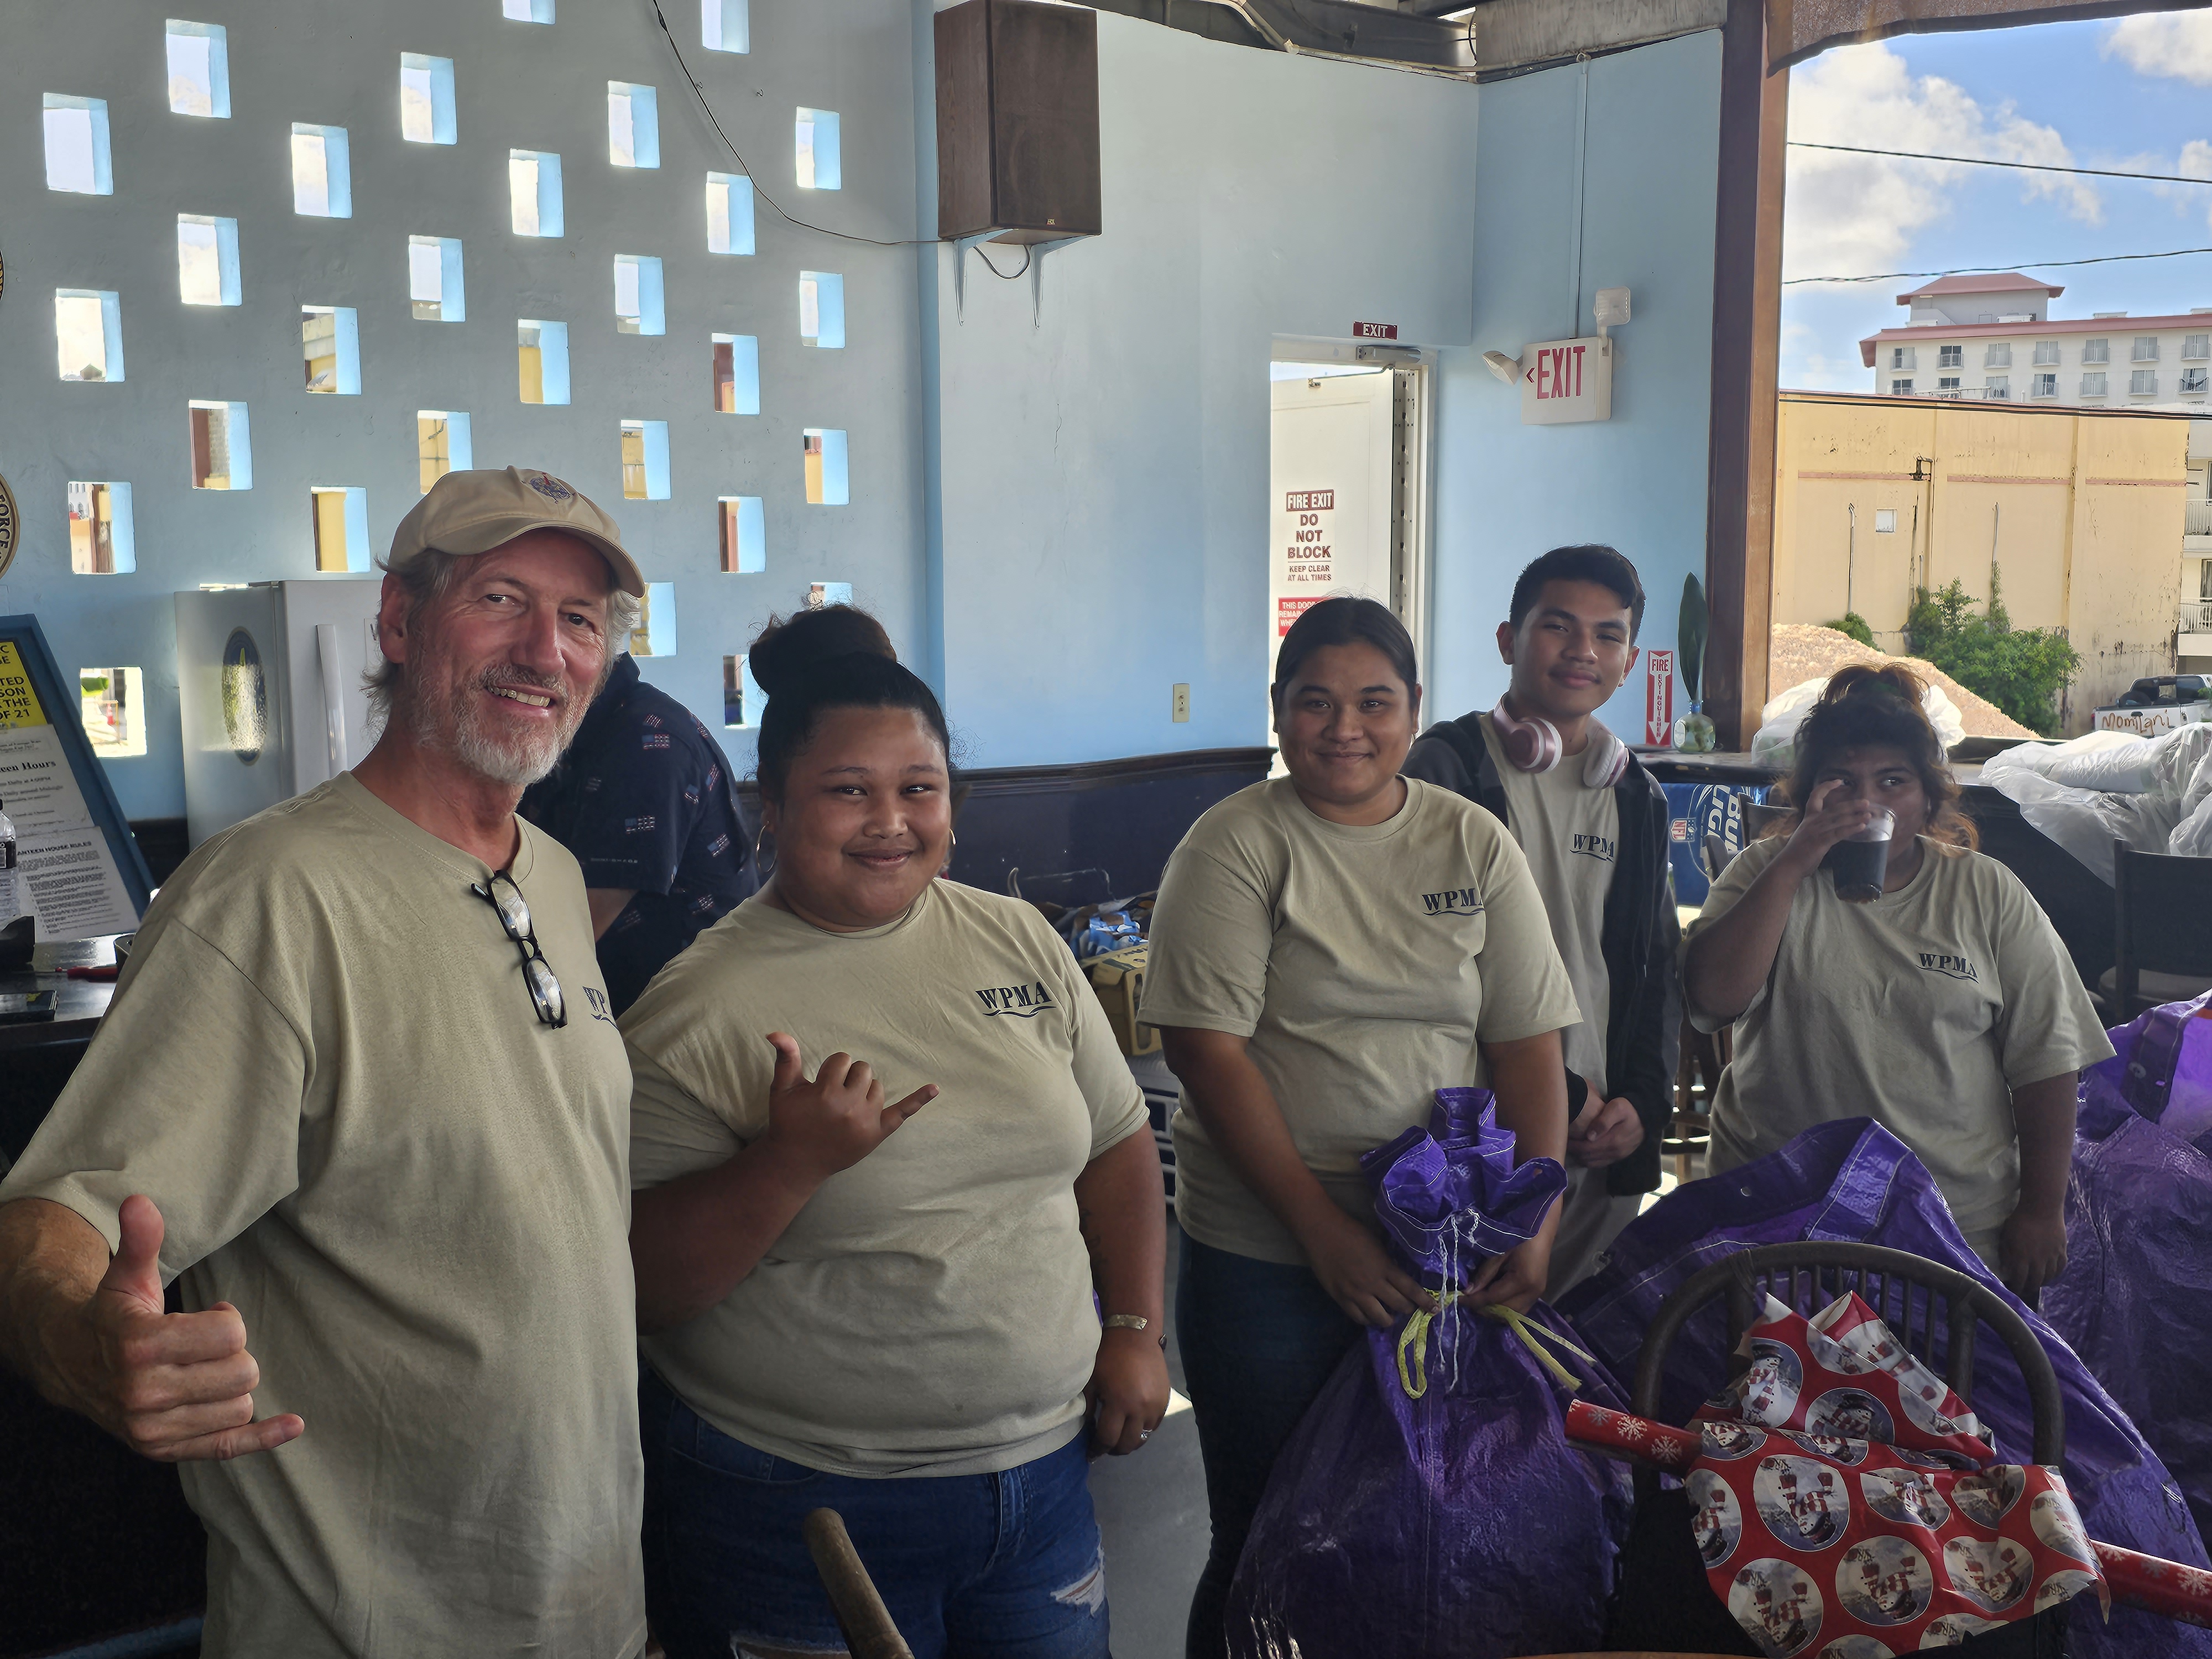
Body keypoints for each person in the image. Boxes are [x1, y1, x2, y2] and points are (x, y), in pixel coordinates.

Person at [0, 467, 650, 1657]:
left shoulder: (550, 874)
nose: (544, 649)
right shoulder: (266, 897)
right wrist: (85, 1346)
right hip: (364, 1624)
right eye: (501, 598)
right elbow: (55, 1218)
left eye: (580, 618)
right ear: (400, 622)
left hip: (583, 1604)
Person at [620, 608, 1170, 1659]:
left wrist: (1137, 1329)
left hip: (1045, 1475)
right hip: (799, 1500)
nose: (890, 821)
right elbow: (639, 1285)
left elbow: (1115, 1144)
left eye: (919, 788)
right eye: (846, 791)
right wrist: (787, 1165)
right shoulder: (700, 1004)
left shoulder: (1012, 935)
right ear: (770, 809)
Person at [1139, 594, 1581, 1659]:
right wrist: (1319, 1231)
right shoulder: (1237, 841)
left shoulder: (1470, 838)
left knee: (1425, 1520)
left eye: (1375, 702)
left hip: (1445, 1253)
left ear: (1415, 711)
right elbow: (1207, 1049)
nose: (1346, 727)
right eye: (1316, 702)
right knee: (1267, 1529)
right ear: (1281, 715)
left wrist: (1536, 1217)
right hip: (1270, 1260)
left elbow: (1529, 1048)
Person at [1682, 664, 2112, 1296]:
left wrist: (2041, 1210)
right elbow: (1712, 999)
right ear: (1807, 795)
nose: (1867, 801)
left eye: (1893, 782)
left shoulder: (1983, 892)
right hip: (1777, 1213)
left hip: (1947, 1223)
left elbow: (2047, 1059)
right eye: (1841, 781)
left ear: (1929, 798)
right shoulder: (1765, 871)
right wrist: (1797, 859)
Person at [1404, 544, 1679, 1295]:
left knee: (1561, 1367)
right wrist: (1562, 1090)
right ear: (1507, 641)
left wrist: (1641, 1106)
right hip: (1477, 1128)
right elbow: (1427, 970)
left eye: (1609, 634)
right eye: (1559, 627)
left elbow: (1655, 970)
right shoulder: (1447, 772)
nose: (1584, 651)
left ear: (1628, 659)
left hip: (1600, 1136)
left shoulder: (1635, 795)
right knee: (1455, 1343)